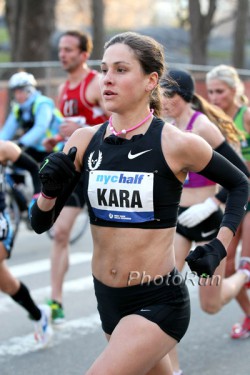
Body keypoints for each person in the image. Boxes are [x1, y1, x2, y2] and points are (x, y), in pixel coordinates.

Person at [30, 32, 248, 375]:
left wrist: (219, 247)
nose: (107, 79)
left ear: (151, 81)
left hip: (157, 300)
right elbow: (40, 223)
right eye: (104, 70)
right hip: (108, 299)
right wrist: (49, 192)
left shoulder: (177, 143)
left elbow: (240, 183)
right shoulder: (85, 140)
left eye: (120, 69)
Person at [160, 68, 250, 375]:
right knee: (166, 294)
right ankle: (174, 370)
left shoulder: (204, 128)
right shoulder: (167, 126)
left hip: (210, 220)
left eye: (167, 95)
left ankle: (243, 275)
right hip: (180, 221)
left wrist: (214, 203)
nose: (162, 101)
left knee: (210, 306)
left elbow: (242, 177)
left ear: (183, 96)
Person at [42, 30, 109, 325]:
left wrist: (81, 129)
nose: (63, 54)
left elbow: (118, 121)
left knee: (108, 239)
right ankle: (56, 300)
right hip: (74, 169)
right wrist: (57, 138)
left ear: (83, 55)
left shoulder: (94, 83)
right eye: (60, 49)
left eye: (69, 49)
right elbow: (70, 128)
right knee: (60, 233)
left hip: (101, 168)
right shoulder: (62, 89)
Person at [206, 64, 250, 339]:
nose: (214, 97)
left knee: (246, 263)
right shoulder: (213, 121)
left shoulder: (246, 116)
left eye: (220, 91)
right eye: (210, 92)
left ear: (234, 91)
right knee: (229, 266)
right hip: (233, 197)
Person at [0, 140, 52, 347]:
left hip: (1, 221)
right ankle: (39, 315)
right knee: (6, 283)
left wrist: (38, 196)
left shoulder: (4, 148)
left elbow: (34, 168)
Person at [0, 71, 63, 163]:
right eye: (15, 92)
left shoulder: (43, 103)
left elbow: (40, 127)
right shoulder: (18, 108)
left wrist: (21, 143)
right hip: (33, 148)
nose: (18, 96)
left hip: (53, 148)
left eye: (21, 91)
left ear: (29, 90)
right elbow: (7, 130)